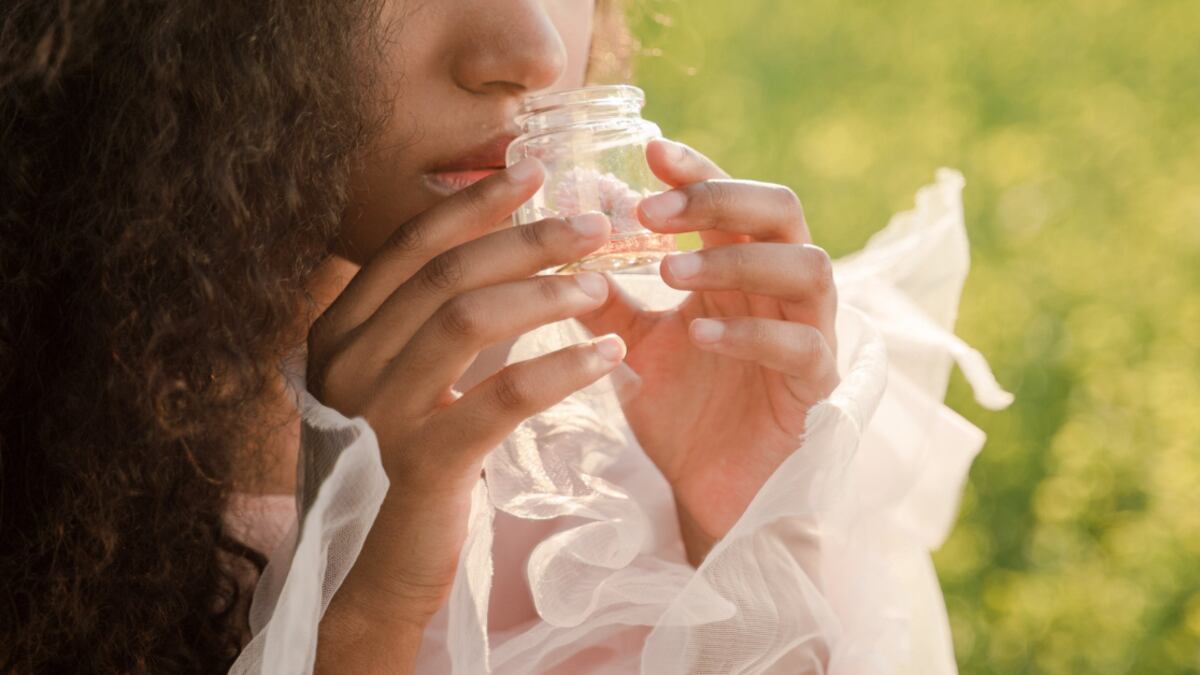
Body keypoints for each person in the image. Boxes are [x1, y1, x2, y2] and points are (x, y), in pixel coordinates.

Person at [0, 1, 1010, 673]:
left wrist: (744, 532)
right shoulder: (50, 490)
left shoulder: (691, 391)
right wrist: (364, 606)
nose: (531, 52)